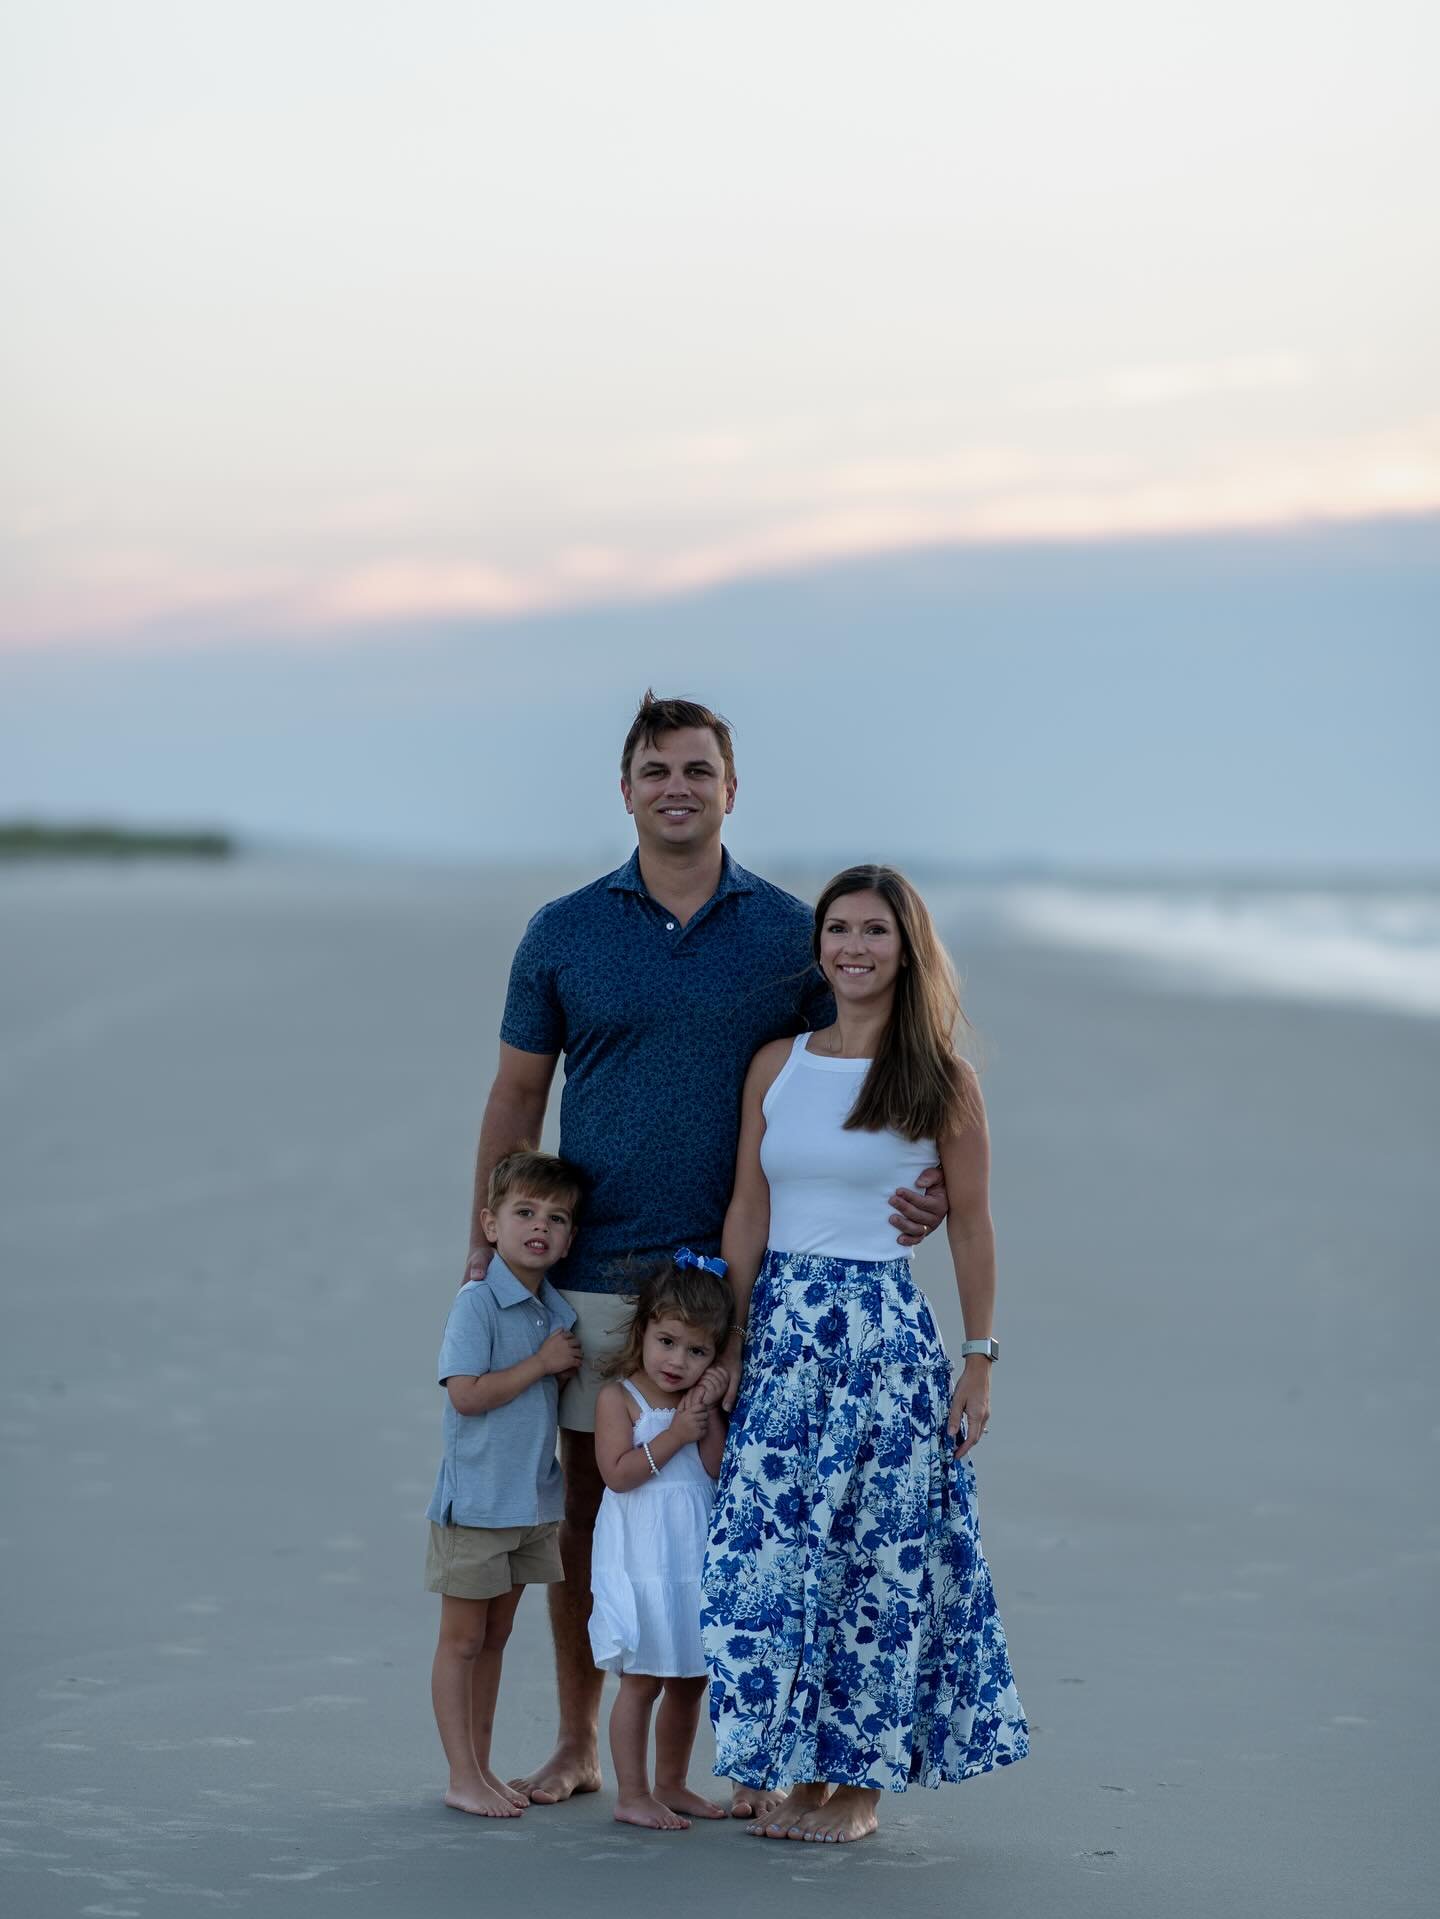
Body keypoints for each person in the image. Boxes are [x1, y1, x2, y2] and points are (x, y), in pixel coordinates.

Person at [463, 692, 949, 1815]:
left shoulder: (793, 931)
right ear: (625, 787)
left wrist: (922, 1183)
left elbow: (884, 1050)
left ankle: (739, 1752)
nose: (675, 787)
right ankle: (583, 1740)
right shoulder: (565, 929)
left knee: (756, 1516)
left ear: (733, 787)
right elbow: (518, 1094)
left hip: (755, 1279)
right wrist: (488, 1250)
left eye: (697, 768)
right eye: (655, 769)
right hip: (592, 1268)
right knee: (593, 1511)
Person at [702, 865, 1028, 1844]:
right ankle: (792, 1762)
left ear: (907, 948)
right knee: (769, 1553)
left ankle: (861, 1789)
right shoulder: (778, 1061)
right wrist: (732, 1338)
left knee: (877, 1565)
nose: (853, 945)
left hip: (885, 1341)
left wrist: (979, 1358)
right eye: (838, 927)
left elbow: (970, 1225)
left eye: (875, 930)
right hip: (783, 1338)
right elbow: (747, 1210)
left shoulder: (940, 1076)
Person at [425, 1150, 584, 1817]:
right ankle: (460, 1772)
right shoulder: (480, 1302)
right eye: (524, 1212)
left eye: (557, 1218)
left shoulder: (557, 1310)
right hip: (478, 1505)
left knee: (495, 1638)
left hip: (530, 1502)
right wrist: (541, 1363)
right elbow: (466, 1394)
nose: (540, 1227)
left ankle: (482, 1767)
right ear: (490, 1224)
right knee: (462, 1639)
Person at [588, 1255, 734, 1830]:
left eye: (697, 1352)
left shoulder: (695, 1400)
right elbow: (618, 1474)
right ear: (643, 1330)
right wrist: (674, 1432)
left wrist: (708, 1410)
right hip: (642, 1557)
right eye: (667, 1341)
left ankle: (672, 1782)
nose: (678, 1361)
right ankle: (632, 1792)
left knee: (690, 1678)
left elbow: (716, 1465)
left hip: (691, 1554)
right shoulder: (619, 1398)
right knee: (643, 1677)